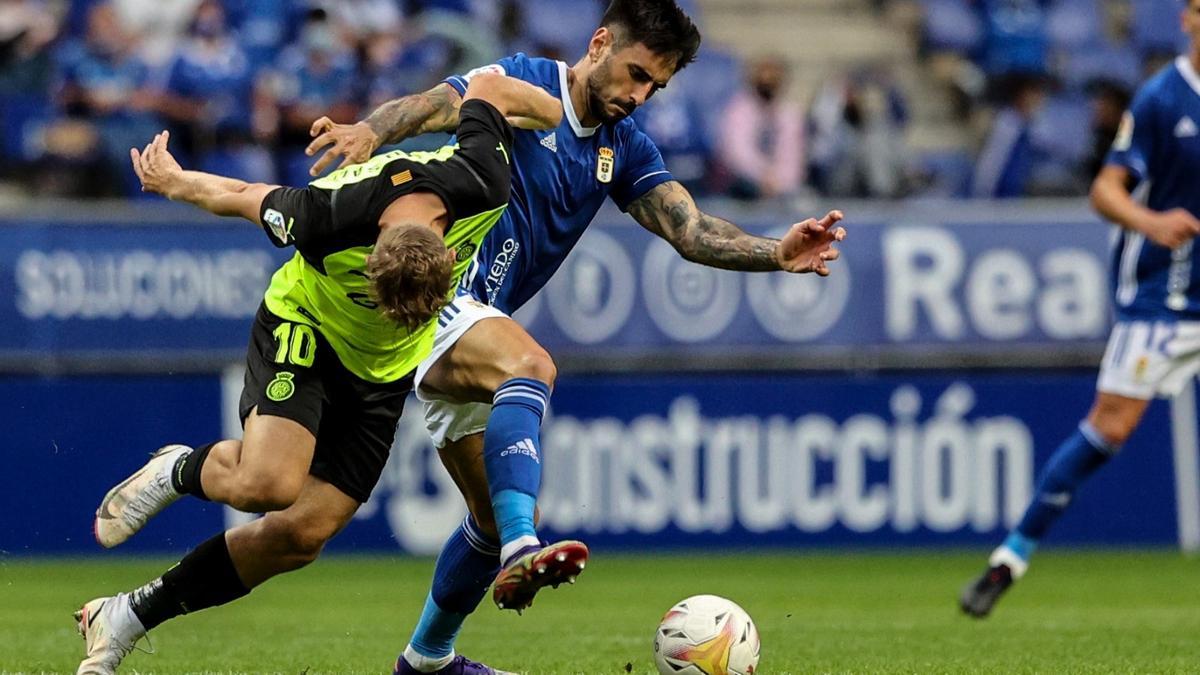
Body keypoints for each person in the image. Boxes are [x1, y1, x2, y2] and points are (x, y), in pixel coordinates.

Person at [306, 1, 846, 672]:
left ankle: (427, 659)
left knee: (482, 513)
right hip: (434, 287)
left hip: (480, 317)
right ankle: (523, 548)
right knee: (530, 366)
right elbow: (432, 106)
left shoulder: (622, 148)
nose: (639, 95)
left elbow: (688, 228)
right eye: (636, 74)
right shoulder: (524, 79)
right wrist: (368, 131)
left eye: (656, 87)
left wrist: (775, 252)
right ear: (599, 43)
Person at [73, 73, 563, 675]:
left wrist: (551, 112)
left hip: (383, 370)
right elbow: (241, 194)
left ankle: (125, 615)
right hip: (305, 329)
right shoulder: (328, 213)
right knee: (268, 485)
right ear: (374, 247)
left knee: (301, 536)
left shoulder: (484, 180)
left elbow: (491, 87)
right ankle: (178, 467)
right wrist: (173, 182)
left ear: (448, 247)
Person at [960, 0, 1200, 618]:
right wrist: (1153, 222)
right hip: (1163, 300)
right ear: (1187, 19)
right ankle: (1009, 558)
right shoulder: (1162, 99)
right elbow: (1105, 189)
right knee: (1110, 428)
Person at [718, 55, 804, 200]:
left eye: (773, 78)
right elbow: (737, 154)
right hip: (745, 184)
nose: (768, 82)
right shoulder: (738, 110)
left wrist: (780, 182)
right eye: (764, 77)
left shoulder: (790, 114)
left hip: (781, 188)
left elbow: (793, 158)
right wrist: (762, 177)